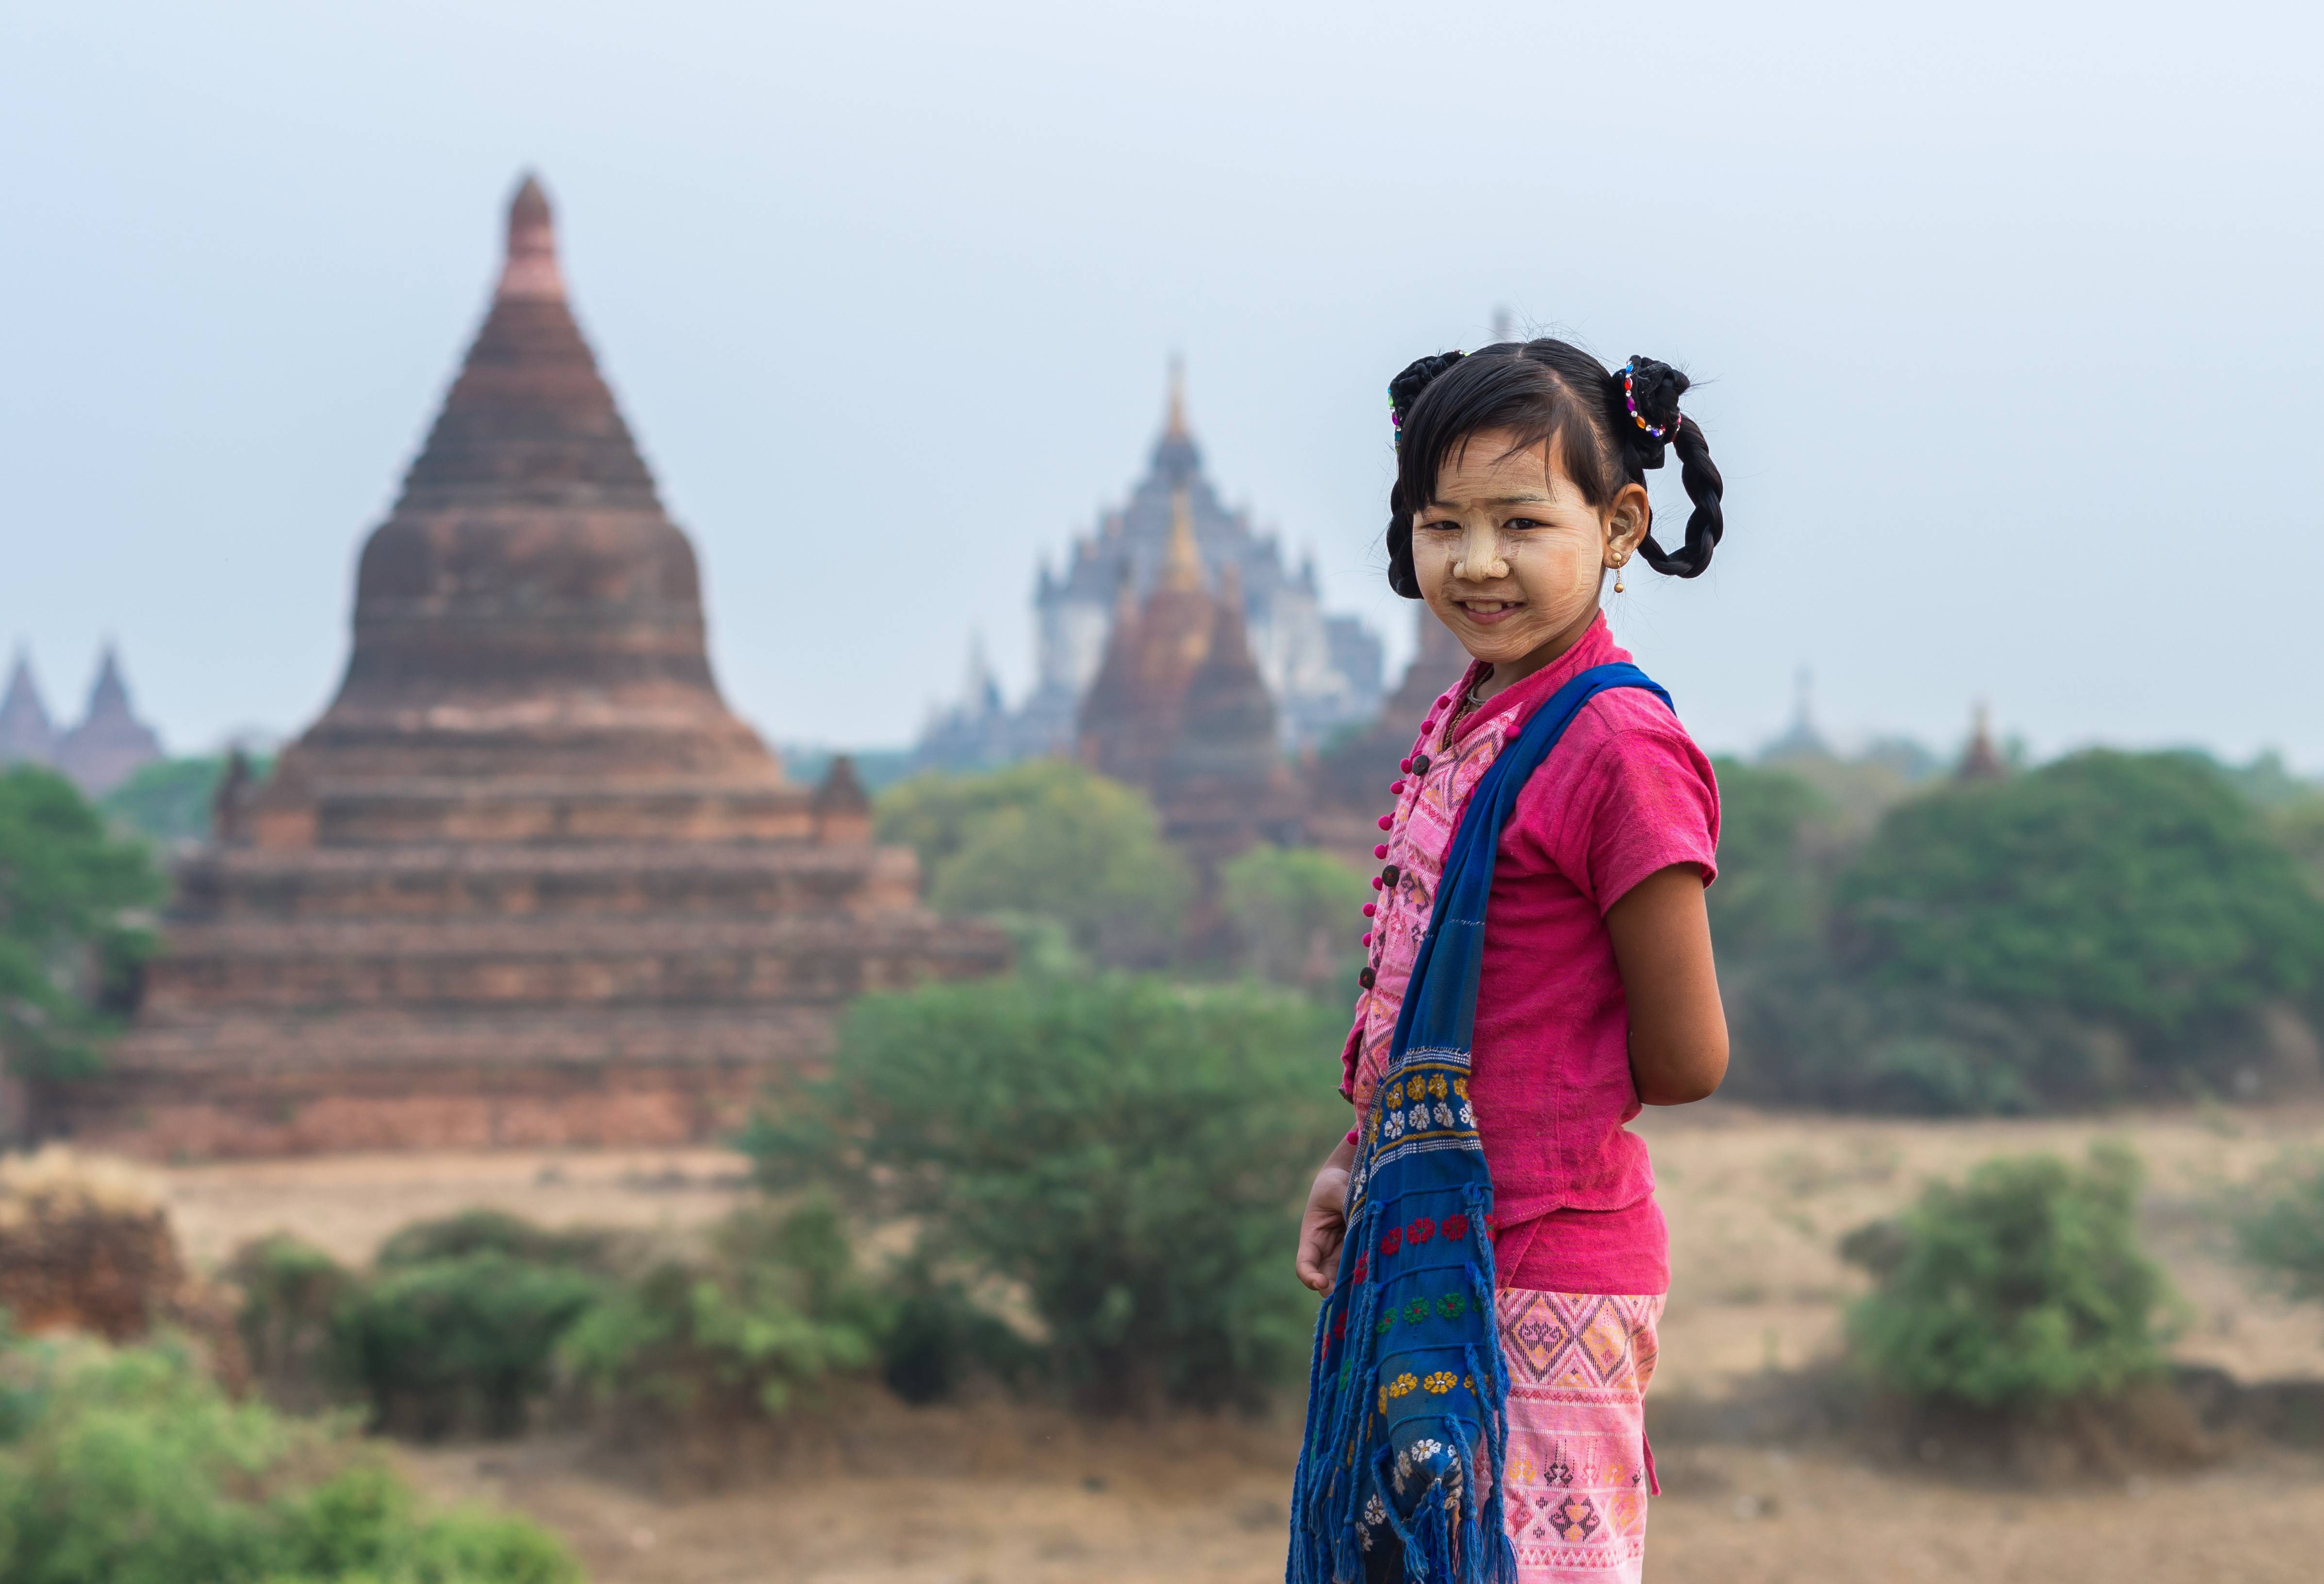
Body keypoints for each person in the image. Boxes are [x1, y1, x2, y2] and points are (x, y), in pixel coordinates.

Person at [1287, 340, 1729, 1584]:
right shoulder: (1472, 713)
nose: (1477, 562)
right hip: (1429, 1251)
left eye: (1522, 522)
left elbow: (1688, 1057)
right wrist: (1354, 1160)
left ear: (1620, 525)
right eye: (1444, 524)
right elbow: (1437, 1000)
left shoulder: (1615, 746)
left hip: (1545, 1269)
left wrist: (1540, 1105)